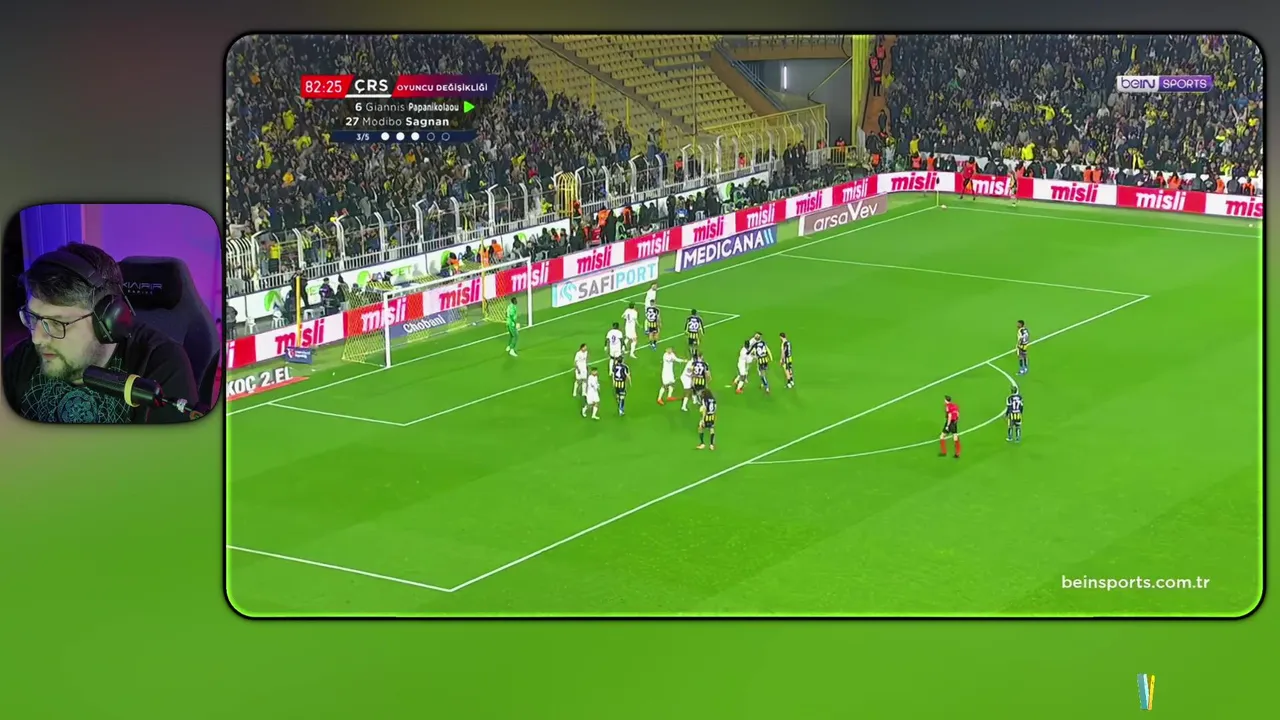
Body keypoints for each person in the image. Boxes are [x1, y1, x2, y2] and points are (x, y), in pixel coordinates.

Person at [3, 243, 198, 424]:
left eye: (56, 323)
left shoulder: (160, 367)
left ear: (107, 321)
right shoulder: (22, 358)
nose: (36, 338)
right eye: (33, 317)